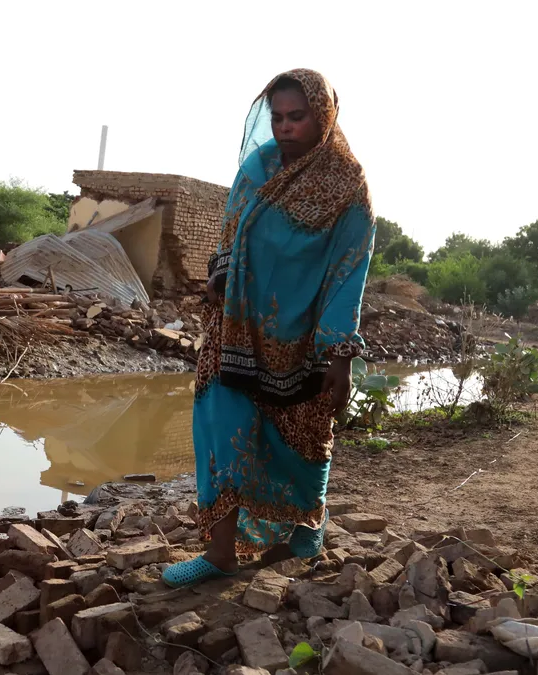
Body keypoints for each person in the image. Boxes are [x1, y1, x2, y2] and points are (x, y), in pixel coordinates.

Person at [162, 68, 375, 588]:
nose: (284, 127)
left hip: (303, 339)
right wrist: (219, 274)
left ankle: (307, 528)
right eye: (277, 117)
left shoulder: (347, 189)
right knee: (221, 428)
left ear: (322, 116)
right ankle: (219, 553)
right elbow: (230, 233)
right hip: (234, 331)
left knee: (302, 438)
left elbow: (349, 272)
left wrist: (340, 355)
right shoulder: (257, 168)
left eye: (296, 117)